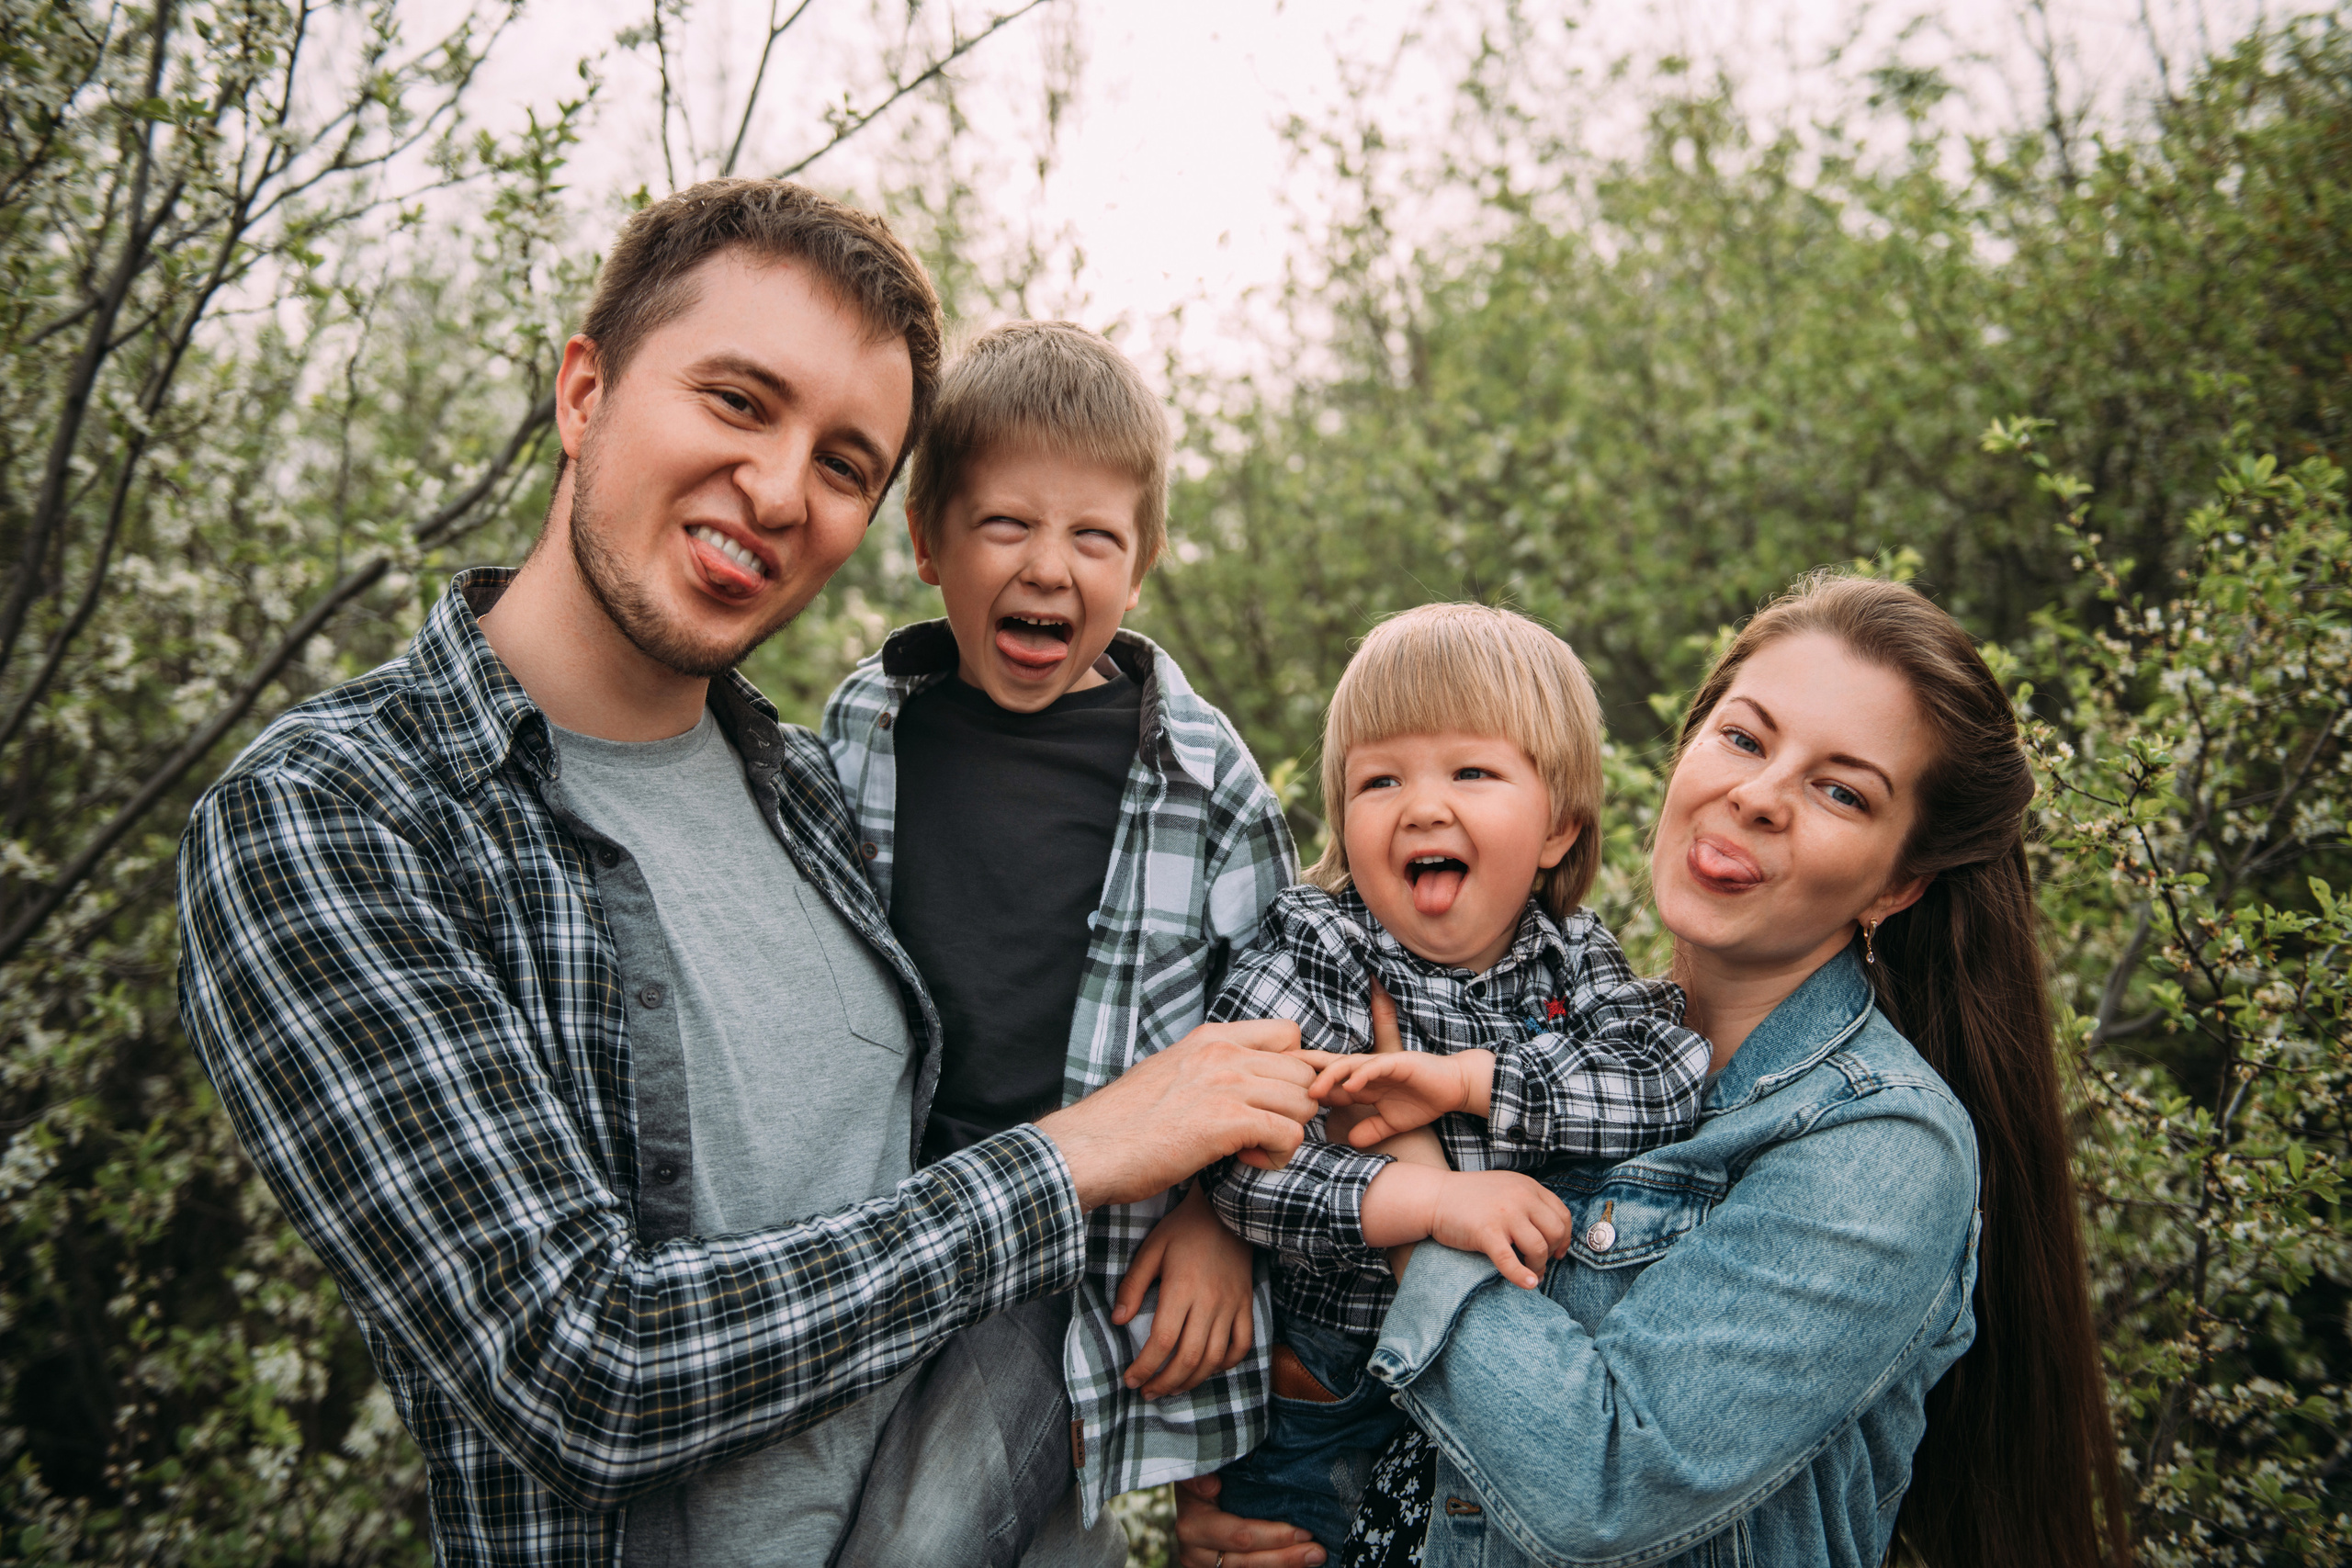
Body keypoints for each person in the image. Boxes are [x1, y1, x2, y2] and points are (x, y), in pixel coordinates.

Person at [174, 178, 1325, 1568]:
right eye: (737, 400)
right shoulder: (343, 815)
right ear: (585, 390)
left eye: (844, 461)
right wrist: (1084, 1153)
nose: (780, 489)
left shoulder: (817, 790)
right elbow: (583, 1367)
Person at [1174, 572, 2128, 1568]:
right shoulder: (1569, 1024)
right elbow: (1450, 1428)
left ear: (1897, 883)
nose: (1756, 796)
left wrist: (1417, 1181)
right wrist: (1223, 1247)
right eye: (1744, 739)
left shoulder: (1880, 1145)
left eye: (1839, 791)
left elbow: (1604, 1482)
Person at [819, 321, 1295, 1562]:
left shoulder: (1205, 780)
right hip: (886, 1228)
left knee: (919, 1541)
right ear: (925, 540)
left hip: (1071, 1259)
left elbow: (1283, 1030)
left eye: (1093, 536)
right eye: (1005, 526)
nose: (1049, 565)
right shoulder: (863, 729)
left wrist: (1225, 1218)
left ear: (1139, 567)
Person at [1194, 604, 1713, 1548]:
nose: (1422, 805)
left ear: (1557, 828)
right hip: (1339, 1387)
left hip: (1528, 1375)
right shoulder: (1319, 949)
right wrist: (1424, 1203)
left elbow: (1665, 1077)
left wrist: (1474, 1082)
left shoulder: (1575, 956)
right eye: (1379, 779)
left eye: (1470, 772)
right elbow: (1234, 1159)